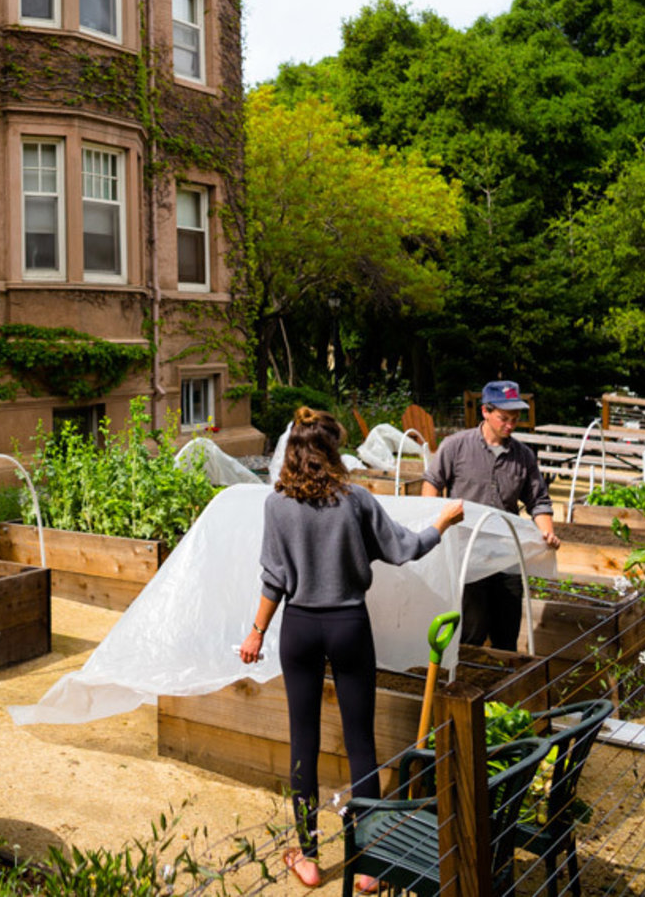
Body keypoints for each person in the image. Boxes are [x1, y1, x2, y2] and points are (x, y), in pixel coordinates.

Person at [239, 407, 464, 890]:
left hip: (299, 627)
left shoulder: (276, 505)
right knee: (361, 743)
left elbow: (273, 579)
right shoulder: (356, 500)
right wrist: (441, 522)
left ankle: (310, 859)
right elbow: (404, 549)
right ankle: (368, 864)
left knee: (305, 742)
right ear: (331, 450)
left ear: (293, 454)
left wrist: (256, 632)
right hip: (347, 624)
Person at [421, 380, 560, 650]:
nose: (510, 424)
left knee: (506, 631)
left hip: (506, 554)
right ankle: (464, 683)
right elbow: (432, 482)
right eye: (504, 418)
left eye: (515, 418)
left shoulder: (523, 456)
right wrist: (436, 524)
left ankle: (503, 687)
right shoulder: (456, 446)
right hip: (466, 552)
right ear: (485, 412)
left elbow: (539, 501)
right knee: (471, 628)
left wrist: (547, 531)